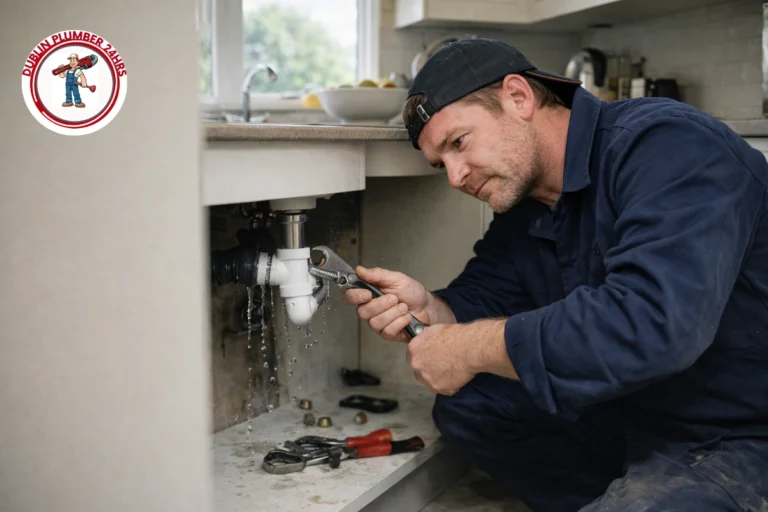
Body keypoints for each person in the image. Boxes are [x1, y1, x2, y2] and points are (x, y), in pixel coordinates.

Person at [342, 38, 768, 511]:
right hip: (632, 413)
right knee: (472, 405)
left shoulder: (669, 147)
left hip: (737, 434)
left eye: (458, 143)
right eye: (442, 163)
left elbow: (651, 325)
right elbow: (487, 295)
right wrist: (432, 310)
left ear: (518, 97)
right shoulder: (531, 201)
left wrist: (466, 346)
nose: (456, 177)